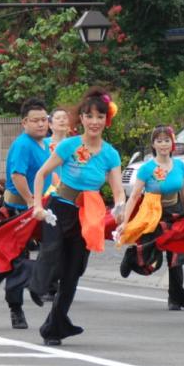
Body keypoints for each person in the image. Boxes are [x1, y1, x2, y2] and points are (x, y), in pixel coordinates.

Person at [31, 88, 125, 346]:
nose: (94, 121)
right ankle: (33, 281)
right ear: (81, 118)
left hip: (88, 215)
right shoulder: (69, 145)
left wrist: (120, 209)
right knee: (52, 255)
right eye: (89, 116)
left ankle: (54, 327)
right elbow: (41, 174)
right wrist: (37, 206)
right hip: (59, 209)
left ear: (107, 120)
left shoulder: (110, 153)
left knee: (73, 272)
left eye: (100, 116)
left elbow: (118, 190)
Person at [118, 125, 184, 311]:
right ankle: (131, 257)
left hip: (175, 212)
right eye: (159, 141)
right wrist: (125, 222)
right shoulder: (147, 168)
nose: (163, 144)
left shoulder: (179, 165)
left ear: (172, 143)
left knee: (175, 254)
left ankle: (175, 297)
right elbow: (134, 196)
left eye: (167, 140)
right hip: (153, 214)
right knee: (150, 258)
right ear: (153, 144)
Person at [0, 98, 52, 329]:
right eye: (35, 120)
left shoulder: (46, 145)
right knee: (17, 261)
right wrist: (30, 200)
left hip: (39, 209)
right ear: (24, 122)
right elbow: (17, 175)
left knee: (52, 250)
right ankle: (16, 309)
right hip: (17, 210)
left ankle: (37, 283)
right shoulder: (22, 145)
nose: (41, 124)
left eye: (44, 120)